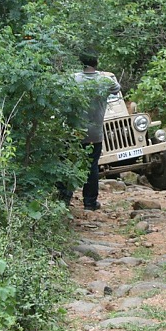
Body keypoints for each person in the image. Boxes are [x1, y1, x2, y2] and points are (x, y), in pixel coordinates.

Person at [61, 50, 121, 211]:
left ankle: (65, 199)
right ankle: (89, 202)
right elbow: (117, 89)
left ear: (82, 63)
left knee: (70, 164)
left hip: (74, 132)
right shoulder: (104, 80)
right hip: (95, 133)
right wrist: (101, 74)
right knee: (92, 166)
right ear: (97, 63)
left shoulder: (73, 79)